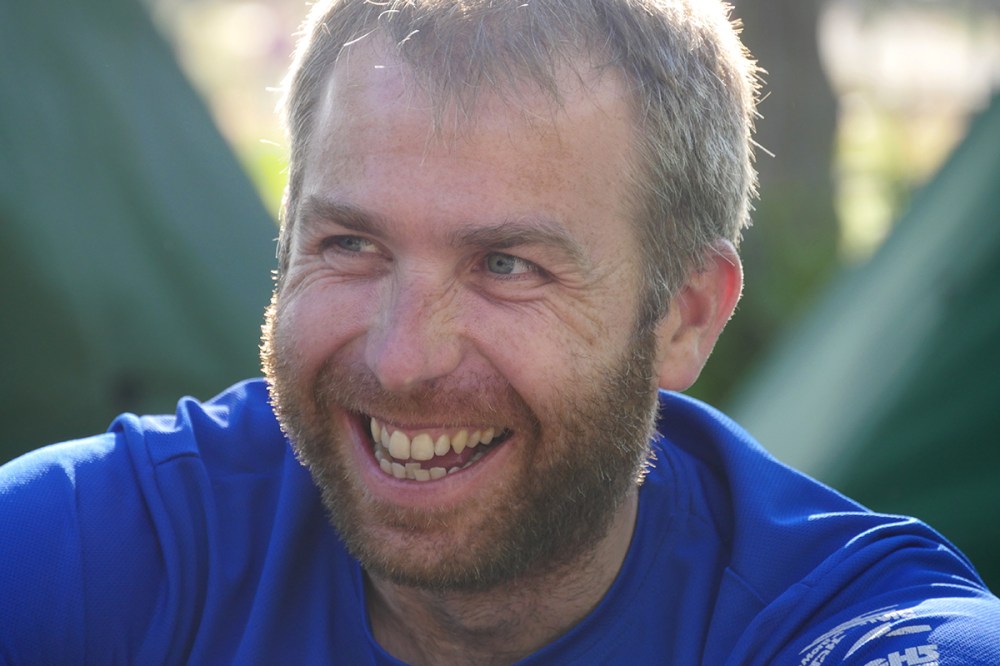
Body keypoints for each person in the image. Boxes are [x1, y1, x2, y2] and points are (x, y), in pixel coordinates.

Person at [1, 0, 998, 663]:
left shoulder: (825, 623)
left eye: (507, 266)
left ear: (684, 315)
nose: (401, 358)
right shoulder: (129, 550)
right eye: (351, 245)